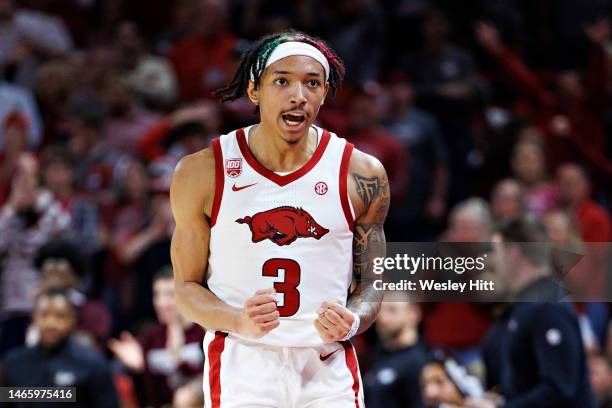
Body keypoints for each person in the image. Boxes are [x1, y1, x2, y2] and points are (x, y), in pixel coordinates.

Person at [170, 30, 388, 407]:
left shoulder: (362, 174)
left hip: (326, 363)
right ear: (254, 90)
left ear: (324, 93)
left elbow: (372, 282)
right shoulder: (203, 171)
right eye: (282, 81)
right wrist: (238, 320)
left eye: (312, 83)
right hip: (244, 360)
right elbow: (186, 290)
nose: (298, 95)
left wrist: (353, 320)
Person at [469, 215, 596, 408]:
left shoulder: (547, 306)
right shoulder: (525, 305)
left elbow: (559, 388)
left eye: (497, 252)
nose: (493, 262)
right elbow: (527, 385)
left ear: (514, 252)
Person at [0, 288, 119, 408]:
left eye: (60, 316)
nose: (51, 324)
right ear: (34, 318)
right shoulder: (14, 363)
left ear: (72, 320)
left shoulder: (92, 364)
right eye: (44, 315)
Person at [108, 267, 205, 408]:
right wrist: (141, 366)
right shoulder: (151, 336)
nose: (161, 303)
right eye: (157, 295)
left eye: (170, 295)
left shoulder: (202, 332)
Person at [364, 298, 428, 408]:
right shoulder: (374, 357)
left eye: (392, 310)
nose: (382, 318)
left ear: (414, 314)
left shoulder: (424, 361)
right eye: (379, 311)